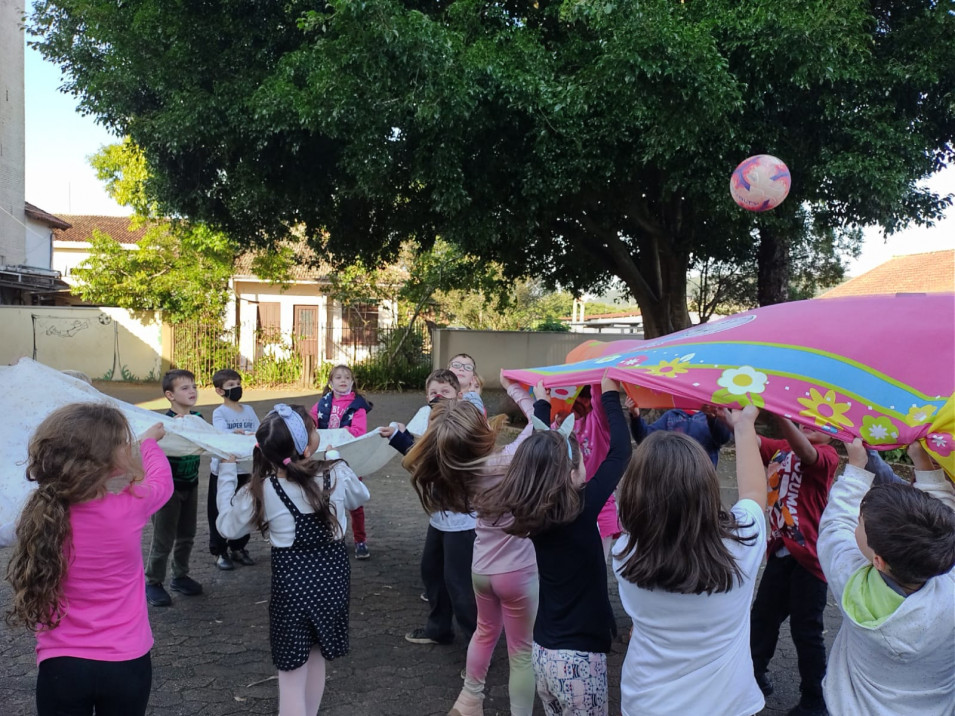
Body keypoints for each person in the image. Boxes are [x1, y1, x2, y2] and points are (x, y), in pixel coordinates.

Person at [480, 374, 631, 715]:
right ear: (570, 472)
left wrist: (543, 402)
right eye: (578, 463)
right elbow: (619, 453)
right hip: (578, 662)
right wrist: (611, 397)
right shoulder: (580, 507)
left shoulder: (530, 508)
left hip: (544, 654)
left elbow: (540, 453)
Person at [5, 403, 168, 716]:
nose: (128, 446)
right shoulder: (134, 504)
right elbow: (162, 481)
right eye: (123, 442)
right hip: (126, 663)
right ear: (105, 460)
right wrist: (149, 443)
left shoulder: (39, 516)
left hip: (61, 667)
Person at [215, 403, 369, 716]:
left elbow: (226, 527)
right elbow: (360, 497)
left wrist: (228, 475)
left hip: (293, 590)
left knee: (290, 671)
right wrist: (336, 459)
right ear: (309, 444)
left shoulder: (261, 489)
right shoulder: (335, 473)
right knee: (315, 657)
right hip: (332, 586)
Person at [402, 373, 542, 716]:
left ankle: (469, 700)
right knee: (521, 652)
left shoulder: (454, 474)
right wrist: (519, 391)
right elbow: (538, 423)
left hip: (482, 570)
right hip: (517, 573)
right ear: (481, 432)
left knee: (483, 633)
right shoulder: (507, 459)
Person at [612, 404, 766, 716]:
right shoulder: (742, 545)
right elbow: (753, 491)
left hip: (647, 702)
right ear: (708, 488)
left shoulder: (625, 553)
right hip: (727, 705)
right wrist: (744, 425)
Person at [816, 438, 955, 715]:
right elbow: (947, 525)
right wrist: (923, 461)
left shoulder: (850, 581)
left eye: (860, 522)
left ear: (878, 561)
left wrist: (856, 467)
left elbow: (834, 526)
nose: (855, 523)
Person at [380, 369, 480, 648]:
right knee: (432, 572)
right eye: (433, 394)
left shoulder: (461, 428)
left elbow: (433, 464)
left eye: (445, 394)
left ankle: (476, 646)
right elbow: (425, 457)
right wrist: (399, 436)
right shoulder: (430, 423)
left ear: (458, 396)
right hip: (441, 520)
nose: (438, 399)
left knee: (459, 585)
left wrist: (400, 440)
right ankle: (439, 629)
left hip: (463, 524)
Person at [749, 415, 838, 716]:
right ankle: (753, 674)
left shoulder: (827, 457)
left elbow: (806, 453)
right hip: (780, 553)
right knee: (762, 618)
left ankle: (815, 699)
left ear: (834, 434)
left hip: (810, 560)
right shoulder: (781, 448)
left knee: (806, 630)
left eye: (822, 422)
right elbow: (753, 441)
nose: (809, 422)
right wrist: (731, 418)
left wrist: (782, 415)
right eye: (805, 417)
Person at [145, 369, 205, 607]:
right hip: (166, 490)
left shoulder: (198, 419)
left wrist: (234, 436)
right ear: (169, 395)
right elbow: (149, 450)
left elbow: (214, 439)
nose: (192, 391)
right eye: (185, 388)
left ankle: (180, 576)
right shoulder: (163, 425)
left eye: (194, 386)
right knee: (163, 539)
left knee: (187, 535)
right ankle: (153, 581)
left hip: (191, 485)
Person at [310, 364, 374, 560]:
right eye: (338, 377)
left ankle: (360, 540)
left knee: (354, 501)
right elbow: (310, 422)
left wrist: (337, 436)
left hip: (349, 459)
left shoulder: (358, 405)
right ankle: (330, 537)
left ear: (353, 382)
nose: (343, 380)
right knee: (325, 499)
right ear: (330, 382)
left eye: (347, 377)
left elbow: (358, 431)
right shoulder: (322, 404)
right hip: (325, 460)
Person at [208, 368, 260, 570]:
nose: (236, 388)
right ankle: (220, 551)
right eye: (230, 386)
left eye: (238, 384)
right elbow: (221, 434)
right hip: (223, 471)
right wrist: (234, 432)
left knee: (245, 508)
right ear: (220, 391)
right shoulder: (219, 412)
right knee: (218, 510)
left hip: (245, 469)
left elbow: (257, 430)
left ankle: (239, 547)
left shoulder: (249, 410)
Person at [625, 399, 731, 467]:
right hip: (674, 479)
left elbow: (723, 438)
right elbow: (646, 438)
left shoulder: (711, 417)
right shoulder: (671, 416)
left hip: (702, 480)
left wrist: (712, 418)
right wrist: (636, 416)